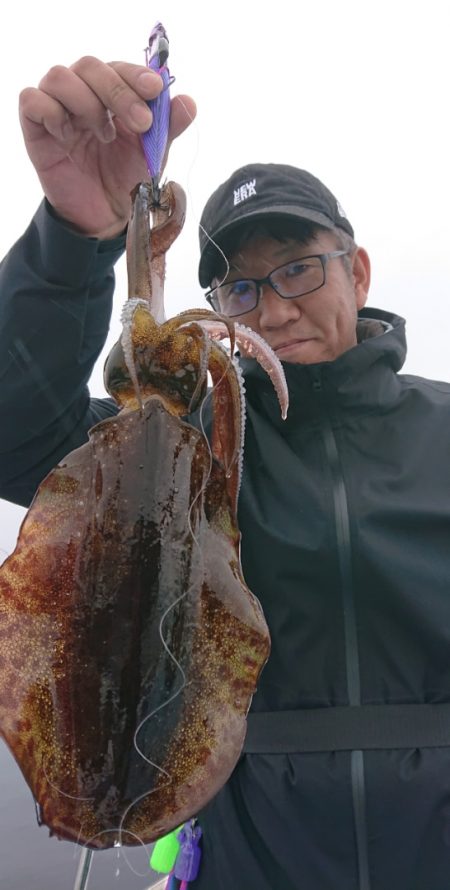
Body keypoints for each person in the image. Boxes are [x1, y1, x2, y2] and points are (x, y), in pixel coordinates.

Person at [1, 57, 450, 890]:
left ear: (356, 271)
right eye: (240, 288)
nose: (273, 308)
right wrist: (76, 239)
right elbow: (19, 435)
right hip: (253, 858)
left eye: (296, 269)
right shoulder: (182, 452)